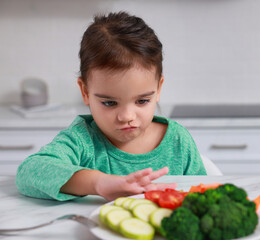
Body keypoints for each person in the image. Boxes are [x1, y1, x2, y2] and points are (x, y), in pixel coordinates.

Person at [16, 11, 207, 201]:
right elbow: (29, 172)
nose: (126, 116)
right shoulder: (82, 140)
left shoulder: (178, 141)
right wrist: (98, 183)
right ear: (85, 92)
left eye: (142, 101)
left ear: (158, 89)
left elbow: (204, 197)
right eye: (109, 102)